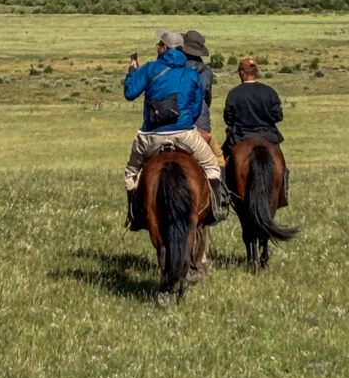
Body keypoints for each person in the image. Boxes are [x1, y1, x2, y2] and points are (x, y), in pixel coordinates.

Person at [123, 30, 229, 229]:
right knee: (212, 167)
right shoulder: (192, 73)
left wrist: (132, 72)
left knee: (131, 173)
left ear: (163, 47)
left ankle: (135, 215)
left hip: (151, 136)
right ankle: (213, 210)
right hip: (185, 135)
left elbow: (130, 93)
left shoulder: (150, 68)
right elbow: (197, 106)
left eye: (158, 44)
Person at [223, 57, 289, 206]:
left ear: (241, 73)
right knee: (282, 165)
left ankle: (222, 194)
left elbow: (228, 119)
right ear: (256, 72)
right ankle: (282, 194)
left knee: (221, 162)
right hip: (267, 136)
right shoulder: (269, 91)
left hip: (240, 137)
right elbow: (278, 116)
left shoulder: (234, 94)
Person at [181, 29, 224, 166]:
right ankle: (219, 186)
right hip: (201, 120)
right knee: (216, 160)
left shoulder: (176, 69)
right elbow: (207, 98)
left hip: (176, 119)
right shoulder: (206, 72)